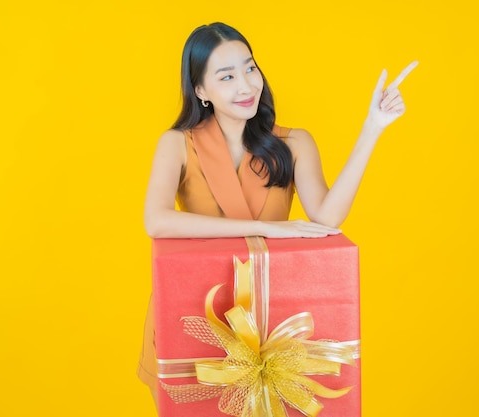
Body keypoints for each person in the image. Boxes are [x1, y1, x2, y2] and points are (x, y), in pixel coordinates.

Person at [138, 22, 417, 409]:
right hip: (196, 315)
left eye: (250, 68)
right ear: (200, 90)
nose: (246, 85)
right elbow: (157, 221)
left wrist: (373, 127)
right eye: (227, 76)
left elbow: (326, 219)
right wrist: (268, 227)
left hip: (273, 318)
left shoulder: (294, 142)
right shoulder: (176, 144)